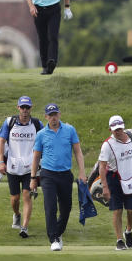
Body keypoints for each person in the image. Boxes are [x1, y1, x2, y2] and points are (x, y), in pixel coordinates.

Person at [29, 103, 86, 251]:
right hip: (48, 175)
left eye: (55, 114)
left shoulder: (69, 130)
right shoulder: (41, 134)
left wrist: (82, 172)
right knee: (50, 206)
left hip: (66, 174)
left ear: (59, 114)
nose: (53, 118)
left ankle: (59, 232)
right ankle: (53, 238)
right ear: (46, 117)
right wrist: (33, 178)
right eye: (50, 115)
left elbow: (78, 152)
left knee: (66, 208)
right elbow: (35, 157)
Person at [97, 115, 132, 250]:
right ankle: (119, 240)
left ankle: (128, 231)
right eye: (115, 129)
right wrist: (105, 187)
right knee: (117, 210)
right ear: (110, 130)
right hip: (114, 179)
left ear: (123, 127)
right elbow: (102, 167)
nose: (118, 131)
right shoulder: (107, 145)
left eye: (119, 128)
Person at [0, 95, 43, 238]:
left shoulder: (36, 124)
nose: (24, 110)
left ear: (31, 108)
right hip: (12, 166)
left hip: (30, 168)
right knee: (15, 199)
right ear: (18, 108)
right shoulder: (9, 122)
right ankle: (17, 214)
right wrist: (1, 162)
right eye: (22, 107)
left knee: (26, 196)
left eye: (27, 107)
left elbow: (44, 141)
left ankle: (24, 227)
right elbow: (1, 142)